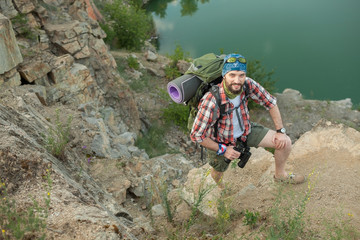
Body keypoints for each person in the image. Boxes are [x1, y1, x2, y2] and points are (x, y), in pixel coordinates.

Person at [190, 53, 305, 186]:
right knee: (218, 171)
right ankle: (220, 188)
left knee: (285, 142)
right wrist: (223, 150)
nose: (237, 80)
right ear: (224, 75)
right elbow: (196, 135)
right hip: (221, 140)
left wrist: (280, 131)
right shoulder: (211, 100)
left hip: (245, 132)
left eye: (241, 75)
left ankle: (280, 175)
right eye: (232, 75)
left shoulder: (247, 84)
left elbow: (271, 103)